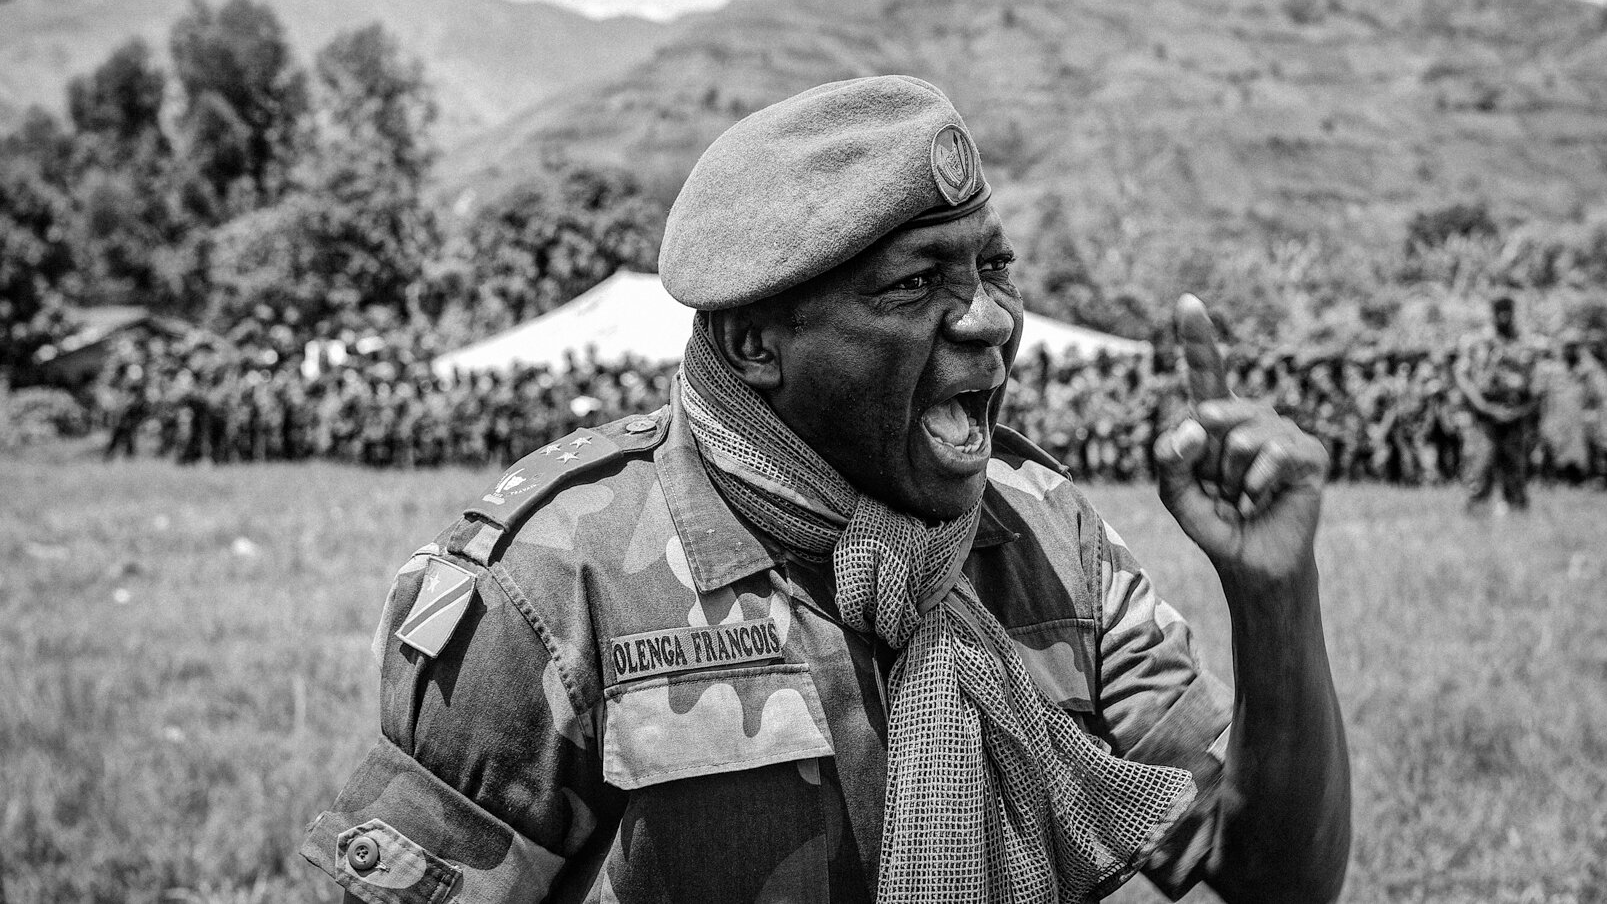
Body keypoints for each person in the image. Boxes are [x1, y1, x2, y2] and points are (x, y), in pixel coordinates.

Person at [300, 76, 1351, 903]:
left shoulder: (1040, 538)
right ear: (757, 344)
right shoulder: (553, 588)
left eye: (991, 267)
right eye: (913, 285)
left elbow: (1267, 877)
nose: (986, 318)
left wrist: (1273, 597)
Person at [1454, 295, 1540, 512]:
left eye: (1507, 310)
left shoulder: (1523, 342)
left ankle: (1517, 513)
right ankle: (1477, 514)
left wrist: (1522, 409)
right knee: (1481, 465)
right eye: (1498, 310)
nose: (1503, 315)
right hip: (1484, 417)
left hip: (1515, 416)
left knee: (1515, 469)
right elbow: (1462, 377)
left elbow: (1535, 381)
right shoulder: (1477, 342)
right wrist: (1483, 406)